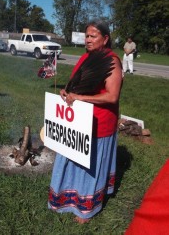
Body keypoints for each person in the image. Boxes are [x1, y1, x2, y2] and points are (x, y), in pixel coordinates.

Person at [48, 19, 123, 224]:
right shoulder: (86, 58)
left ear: (105, 38)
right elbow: (78, 87)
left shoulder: (112, 61)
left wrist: (80, 98)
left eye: (93, 36)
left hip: (100, 123)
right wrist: (68, 92)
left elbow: (112, 96)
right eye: (86, 36)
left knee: (90, 168)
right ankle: (66, 198)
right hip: (77, 122)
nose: (88, 40)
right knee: (72, 159)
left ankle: (86, 210)